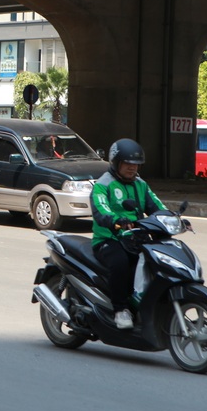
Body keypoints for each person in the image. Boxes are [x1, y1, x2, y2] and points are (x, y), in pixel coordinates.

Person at [90, 138, 167, 330]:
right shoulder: (103, 184)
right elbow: (101, 210)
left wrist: (173, 218)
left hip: (136, 237)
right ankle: (120, 309)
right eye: (127, 163)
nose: (132, 168)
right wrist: (116, 221)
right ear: (116, 162)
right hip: (109, 239)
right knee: (120, 263)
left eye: (136, 164)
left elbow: (157, 206)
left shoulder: (141, 185)